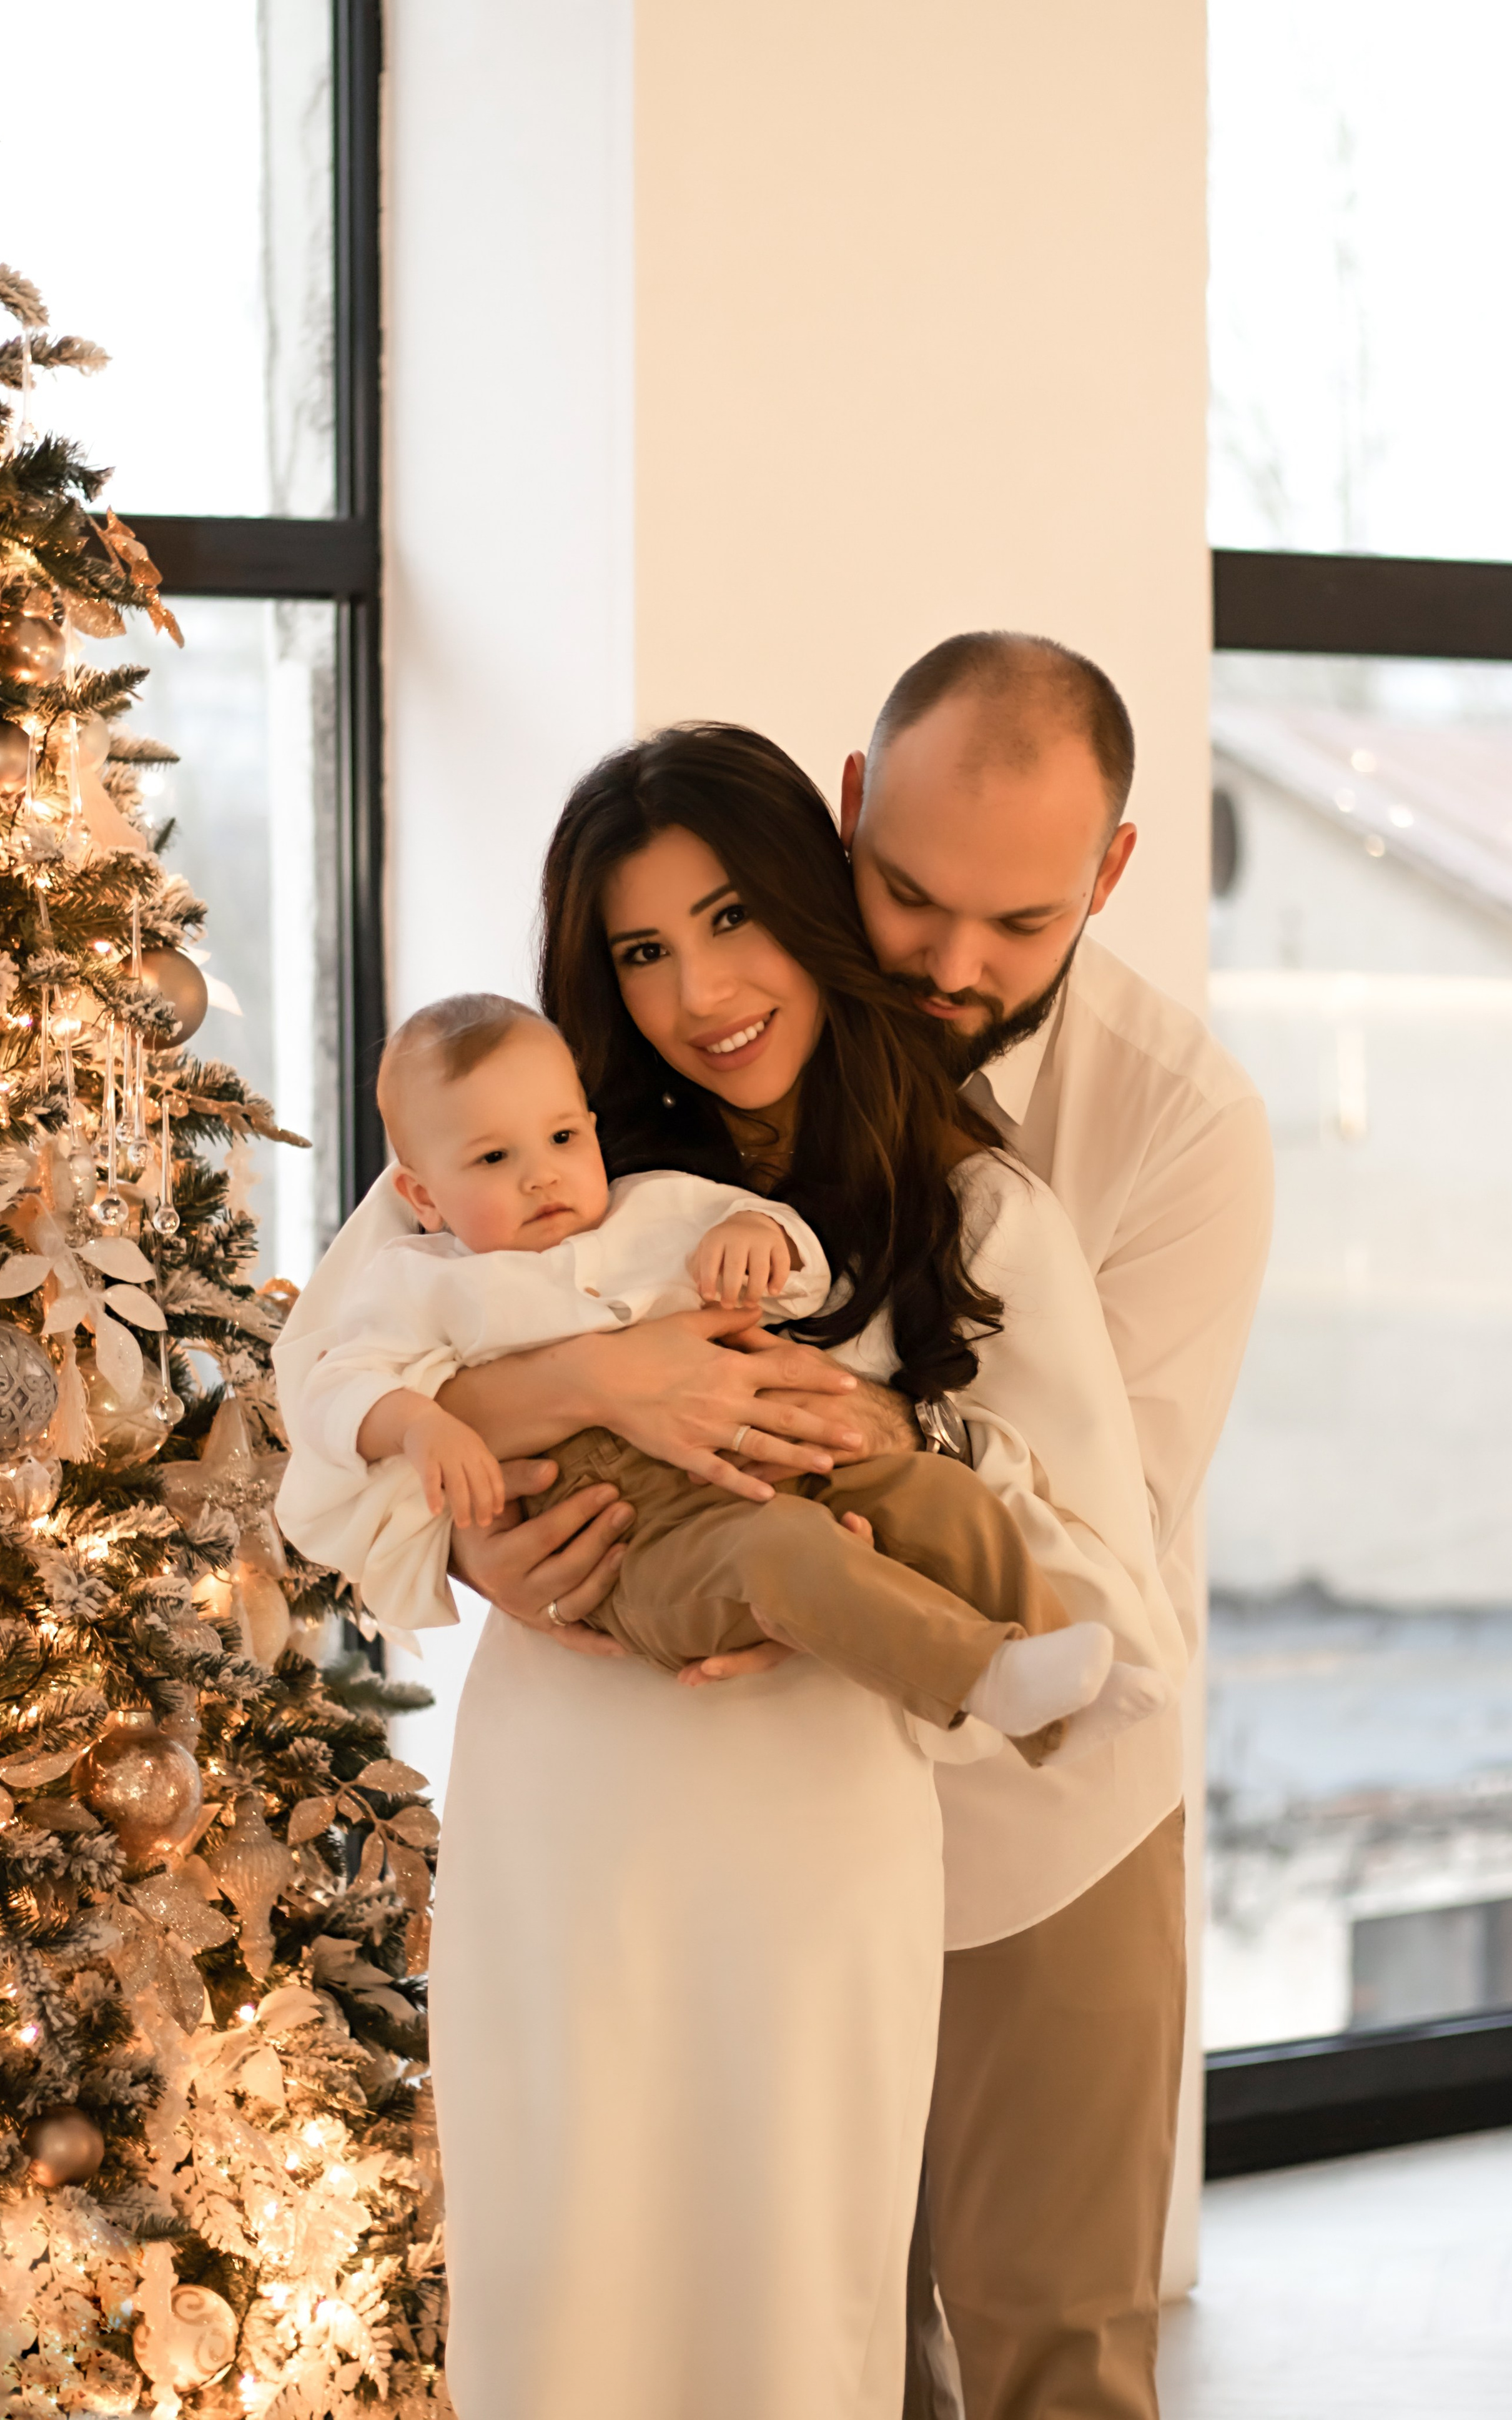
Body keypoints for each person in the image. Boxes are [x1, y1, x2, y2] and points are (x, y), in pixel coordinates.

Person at [274, 722, 1178, 2420]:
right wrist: (555, 1437)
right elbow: (324, 1458)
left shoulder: (973, 1218)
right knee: (562, 2292)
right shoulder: (498, 1154)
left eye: (734, 918)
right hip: (567, 1806)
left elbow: (1100, 1595)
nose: (699, 991)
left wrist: (857, 1467)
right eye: (642, 949)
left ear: (817, 902)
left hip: (812, 1828)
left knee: (789, 2304)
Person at [834, 633, 1273, 2420]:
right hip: (774, 1774)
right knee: (815, 2328)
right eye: (911, 898)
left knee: (1056, 2347)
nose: (954, 965)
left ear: (1113, 870)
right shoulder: (730, 1005)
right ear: (850, 809)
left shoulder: (1187, 1128)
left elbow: (1103, 1519)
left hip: (1060, 1806)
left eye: (1019, 925)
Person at [280, 986, 1143, 1745]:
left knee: (940, 1497)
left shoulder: (651, 1208)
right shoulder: (421, 1281)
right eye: (495, 1159)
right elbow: (334, 1391)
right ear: (423, 1196)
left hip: (776, 1474)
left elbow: (799, 1264)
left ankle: (1055, 1675)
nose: (544, 1176)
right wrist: (421, 1422)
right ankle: (980, 1679)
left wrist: (757, 1238)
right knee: (784, 1554)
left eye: (561, 1137)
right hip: (640, 1543)